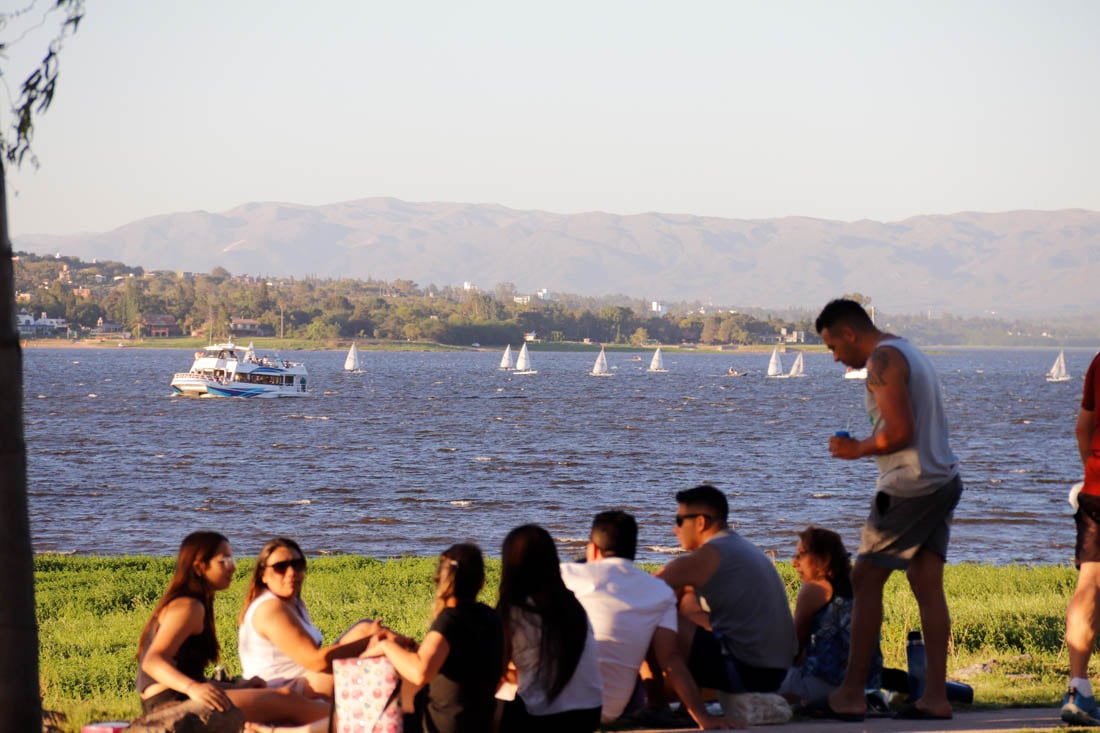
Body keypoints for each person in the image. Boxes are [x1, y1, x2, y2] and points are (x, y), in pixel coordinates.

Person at [816, 298, 963, 721]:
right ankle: (935, 696)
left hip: (909, 485)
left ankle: (850, 693)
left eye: (832, 346)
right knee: (926, 581)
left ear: (849, 332)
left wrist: (854, 449)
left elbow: (899, 432)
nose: (835, 357)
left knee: (863, 579)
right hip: (942, 478)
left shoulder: (882, 359)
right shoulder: (908, 350)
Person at [559, 511, 736, 729]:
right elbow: (671, 660)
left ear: (593, 549)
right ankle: (657, 706)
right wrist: (702, 717)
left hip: (553, 703)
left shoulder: (566, 575)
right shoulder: (658, 591)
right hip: (610, 709)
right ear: (633, 551)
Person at [136, 531, 329, 725]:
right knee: (286, 701)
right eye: (224, 560)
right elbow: (153, 661)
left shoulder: (195, 603)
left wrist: (239, 686)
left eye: (232, 558)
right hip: (171, 705)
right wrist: (192, 688)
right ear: (200, 567)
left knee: (277, 697)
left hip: (178, 696)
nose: (233, 567)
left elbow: (189, 673)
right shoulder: (188, 607)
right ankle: (349, 719)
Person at [656, 485, 797, 698]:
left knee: (655, 619)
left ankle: (653, 702)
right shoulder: (739, 546)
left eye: (679, 522)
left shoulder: (709, 554)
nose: (675, 530)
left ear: (701, 522)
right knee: (682, 593)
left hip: (748, 676)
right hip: (777, 673)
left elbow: (640, 593)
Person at [366, 543, 503, 733]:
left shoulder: (450, 619)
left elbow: (420, 673)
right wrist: (408, 644)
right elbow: (457, 656)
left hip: (442, 725)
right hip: (479, 722)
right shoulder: (490, 616)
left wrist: (386, 645)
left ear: (439, 580)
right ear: (482, 581)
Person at [237, 538, 382, 697]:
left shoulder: (293, 602)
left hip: (302, 682)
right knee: (372, 638)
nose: (291, 572)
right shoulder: (271, 609)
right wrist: (373, 641)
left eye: (297, 565)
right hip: (280, 691)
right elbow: (315, 662)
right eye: (281, 567)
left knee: (365, 628)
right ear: (263, 575)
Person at [496, 524, 603, 732]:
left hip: (541, 719)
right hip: (589, 714)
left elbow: (490, 674)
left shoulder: (515, 610)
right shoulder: (573, 605)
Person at [779, 526, 882, 708]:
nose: (794, 563)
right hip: (868, 686)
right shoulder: (858, 586)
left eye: (800, 555)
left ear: (823, 560)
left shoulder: (816, 589)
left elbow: (794, 648)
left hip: (825, 685)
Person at [1062, 350, 1100, 726]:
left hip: (1096, 489)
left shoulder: (1099, 360)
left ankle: (1077, 689)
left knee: (1088, 584)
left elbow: (1082, 427)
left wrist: (1090, 471)